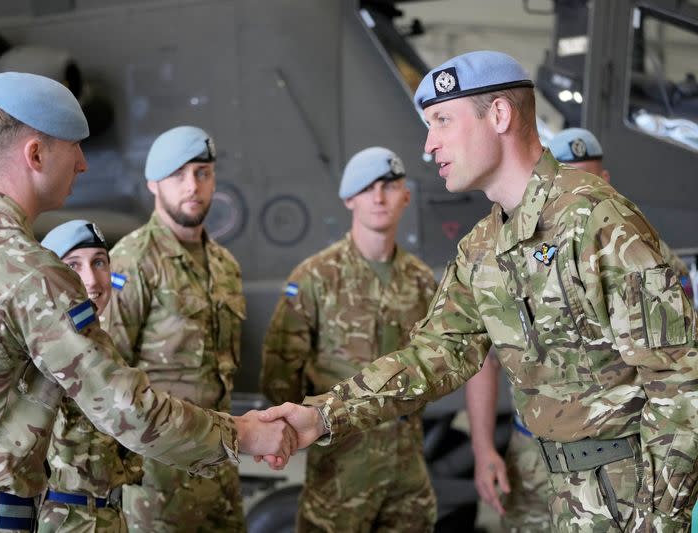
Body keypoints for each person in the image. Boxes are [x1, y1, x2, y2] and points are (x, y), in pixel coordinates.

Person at [260, 51, 698, 532]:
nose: (429, 145)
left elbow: (679, 386)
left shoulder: (598, 221)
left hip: (631, 498)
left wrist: (660, 519)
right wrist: (321, 416)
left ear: (500, 116)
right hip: (555, 490)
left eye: (443, 120)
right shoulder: (483, 247)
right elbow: (436, 354)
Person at [0, 72, 296, 533]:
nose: (84, 164)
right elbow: (125, 408)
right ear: (35, 154)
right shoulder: (31, 271)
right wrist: (245, 433)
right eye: (75, 147)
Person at [464, 126, 695, 532]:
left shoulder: (641, 253)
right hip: (532, 449)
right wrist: (483, 448)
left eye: (585, 176)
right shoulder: (506, 250)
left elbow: (676, 369)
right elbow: (483, 359)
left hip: (617, 460)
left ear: (603, 181)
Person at [261, 147, 438, 532]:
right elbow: (280, 369)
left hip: (406, 470)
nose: (378, 197)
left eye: (389, 186)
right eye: (366, 187)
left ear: (406, 195)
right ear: (348, 199)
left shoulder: (422, 281)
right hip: (340, 471)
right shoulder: (316, 277)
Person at [105, 126, 247, 532]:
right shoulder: (133, 261)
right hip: (156, 478)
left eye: (202, 173)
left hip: (220, 467)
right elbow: (108, 374)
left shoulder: (225, 266)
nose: (193, 186)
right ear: (154, 184)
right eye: (178, 175)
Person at [37, 220, 142, 533]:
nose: (92, 280)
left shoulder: (105, 348)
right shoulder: (41, 353)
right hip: (60, 521)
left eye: (99, 262)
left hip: (108, 515)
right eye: (73, 265)